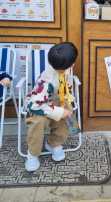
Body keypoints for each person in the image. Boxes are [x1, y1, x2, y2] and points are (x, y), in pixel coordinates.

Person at [25, 42, 78, 172]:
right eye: (73, 63)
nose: (73, 65)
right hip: (38, 106)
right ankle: (32, 153)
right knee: (38, 122)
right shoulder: (45, 82)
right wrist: (58, 111)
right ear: (70, 64)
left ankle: (53, 143)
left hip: (56, 98)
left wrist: (65, 106)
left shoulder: (64, 68)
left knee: (67, 115)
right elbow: (35, 105)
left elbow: (65, 85)